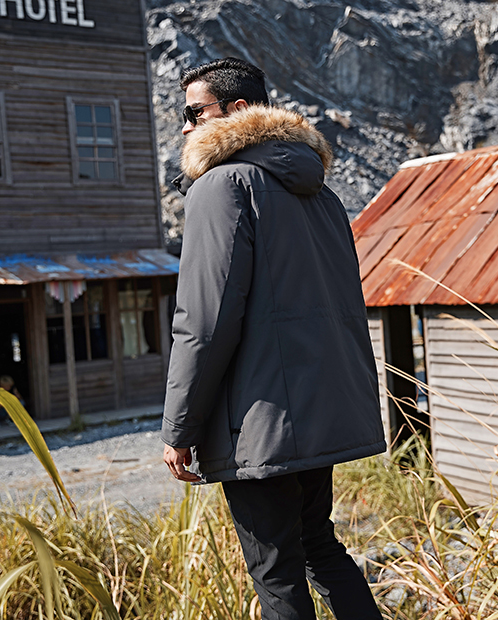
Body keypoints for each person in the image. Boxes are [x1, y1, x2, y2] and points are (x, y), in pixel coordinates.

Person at [161, 58, 386, 620]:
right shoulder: (321, 194)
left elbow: (203, 320)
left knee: (275, 573)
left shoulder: (220, 184)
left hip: (257, 422)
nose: (185, 127)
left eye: (194, 112)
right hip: (318, 411)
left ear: (238, 112)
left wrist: (179, 427)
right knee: (321, 548)